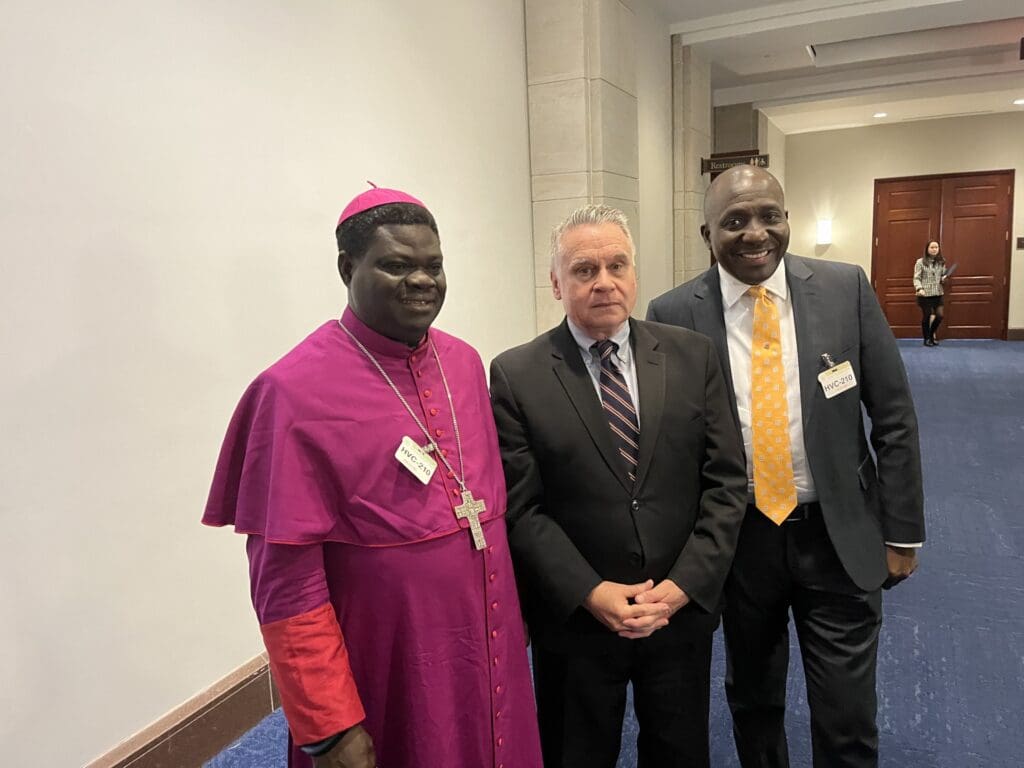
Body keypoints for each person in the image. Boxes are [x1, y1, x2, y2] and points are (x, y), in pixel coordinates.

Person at [203, 186, 543, 768]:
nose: (422, 280)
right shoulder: (290, 392)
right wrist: (328, 726)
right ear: (347, 268)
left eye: (433, 265)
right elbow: (285, 584)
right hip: (387, 662)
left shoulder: (462, 361)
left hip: (486, 641)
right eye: (396, 265)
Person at [647, 165, 925, 768]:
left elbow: (894, 416)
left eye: (769, 216)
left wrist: (901, 531)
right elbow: (670, 446)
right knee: (752, 699)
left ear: (787, 220)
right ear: (706, 233)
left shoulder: (844, 287)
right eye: (735, 221)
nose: (755, 233)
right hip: (739, 540)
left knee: (847, 714)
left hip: (838, 531)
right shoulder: (672, 313)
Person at [490, 204, 748, 768]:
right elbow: (522, 508)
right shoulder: (517, 375)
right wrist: (591, 591)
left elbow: (726, 483)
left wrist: (682, 587)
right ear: (556, 283)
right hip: (579, 620)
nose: (603, 282)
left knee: (679, 752)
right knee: (575, 754)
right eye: (584, 270)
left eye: (616, 265)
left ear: (634, 275)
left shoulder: (691, 356)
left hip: (676, 611)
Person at [914, 239, 946, 346]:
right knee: (927, 315)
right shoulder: (920, 262)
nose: (934, 249)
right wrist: (919, 288)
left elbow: (942, 276)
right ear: (927, 249)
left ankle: (931, 335)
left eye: (936, 247)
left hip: (938, 292)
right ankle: (926, 338)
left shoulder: (941, 262)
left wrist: (943, 278)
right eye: (932, 247)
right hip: (925, 294)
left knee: (940, 315)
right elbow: (916, 278)